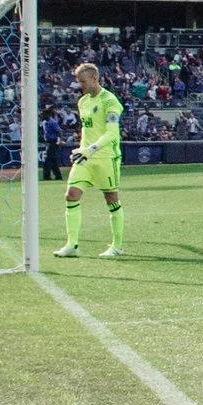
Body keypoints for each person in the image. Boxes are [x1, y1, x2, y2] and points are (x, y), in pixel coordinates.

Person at [53, 62, 125, 258]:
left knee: (111, 200)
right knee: (71, 195)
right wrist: (82, 149)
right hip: (85, 158)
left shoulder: (110, 101)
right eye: (78, 82)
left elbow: (112, 133)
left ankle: (117, 246)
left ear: (94, 78)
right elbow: (87, 129)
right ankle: (72, 245)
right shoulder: (83, 102)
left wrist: (90, 149)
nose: (80, 85)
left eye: (83, 81)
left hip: (105, 157)